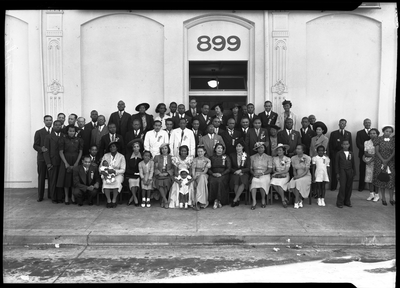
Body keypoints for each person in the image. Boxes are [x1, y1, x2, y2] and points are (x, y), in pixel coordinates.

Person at [57, 125, 83, 205]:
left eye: (73, 131)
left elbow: (80, 152)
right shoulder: (63, 140)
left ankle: (72, 196)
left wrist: (76, 163)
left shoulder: (79, 140)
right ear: (67, 131)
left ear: (75, 132)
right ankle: (66, 196)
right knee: (66, 179)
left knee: (74, 179)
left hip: (75, 159)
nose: (71, 132)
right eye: (70, 131)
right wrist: (65, 163)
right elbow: (61, 152)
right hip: (66, 159)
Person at [372, 125, 395, 206]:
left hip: (391, 162)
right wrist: (383, 161)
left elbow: (394, 152)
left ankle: (392, 199)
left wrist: (387, 160)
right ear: (383, 131)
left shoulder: (393, 140)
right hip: (379, 162)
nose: (388, 133)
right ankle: (383, 198)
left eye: (390, 131)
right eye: (386, 131)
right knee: (382, 180)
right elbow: (377, 151)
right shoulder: (378, 139)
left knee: (391, 180)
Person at [100, 141, 126, 208]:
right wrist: (104, 172)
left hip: (118, 174)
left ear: (117, 147)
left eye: (114, 146)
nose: (112, 148)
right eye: (111, 147)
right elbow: (100, 167)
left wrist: (114, 171)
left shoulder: (121, 156)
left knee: (116, 181)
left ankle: (114, 200)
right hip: (107, 173)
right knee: (105, 181)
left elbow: (123, 169)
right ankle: (108, 200)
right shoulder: (105, 156)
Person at [329, 119, 353, 191]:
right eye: (341, 123)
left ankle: (344, 186)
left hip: (345, 154)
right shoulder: (333, 133)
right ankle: (333, 186)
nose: (342, 124)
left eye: (343, 123)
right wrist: (332, 155)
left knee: (345, 170)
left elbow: (350, 145)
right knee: (335, 170)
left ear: (345, 125)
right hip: (336, 154)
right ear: (339, 124)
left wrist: (350, 155)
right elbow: (330, 145)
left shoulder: (348, 133)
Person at [33, 115, 53, 201]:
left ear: (52, 121)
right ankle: (40, 196)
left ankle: (50, 195)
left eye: (50, 120)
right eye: (47, 120)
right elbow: (35, 145)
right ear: (44, 121)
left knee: (51, 177)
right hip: (42, 159)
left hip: (51, 159)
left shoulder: (54, 132)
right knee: (41, 177)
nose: (48, 122)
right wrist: (41, 149)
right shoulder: (39, 132)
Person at [249, 142, 273, 210]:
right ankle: (254, 201)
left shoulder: (269, 157)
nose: (260, 149)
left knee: (262, 182)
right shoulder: (252, 157)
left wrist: (262, 174)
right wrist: (254, 174)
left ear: (264, 148)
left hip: (265, 174)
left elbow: (270, 169)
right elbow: (250, 169)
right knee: (254, 181)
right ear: (256, 149)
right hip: (255, 174)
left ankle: (263, 199)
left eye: (262, 147)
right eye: (258, 148)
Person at [43, 120, 62, 203]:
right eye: (56, 125)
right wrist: (48, 163)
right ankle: (54, 198)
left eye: (59, 125)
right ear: (53, 126)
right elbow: (46, 151)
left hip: (61, 162)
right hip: (52, 162)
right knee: (53, 180)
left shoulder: (63, 136)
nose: (58, 126)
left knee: (60, 180)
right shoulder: (48, 137)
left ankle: (60, 197)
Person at [208, 143, 231, 209]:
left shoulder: (226, 157)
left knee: (220, 181)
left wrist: (221, 174)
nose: (220, 150)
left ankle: (219, 200)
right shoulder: (212, 157)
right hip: (214, 174)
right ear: (215, 149)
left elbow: (228, 168)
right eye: (218, 148)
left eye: (221, 148)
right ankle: (214, 200)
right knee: (212, 181)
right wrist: (212, 174)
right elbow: (208, 168)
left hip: (224, 174)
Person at [289, 144, 312, 209]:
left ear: (303, 150)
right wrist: (296, 176)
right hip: (297, 175)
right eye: (297, 148)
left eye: (299, 149)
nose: (297, 150)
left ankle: (296, 202)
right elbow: (294, 170)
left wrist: (299, 177)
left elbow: (306, 171)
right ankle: (300, 199)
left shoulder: (307, 158)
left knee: (297, 182)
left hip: (305, 175)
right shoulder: (293, 158)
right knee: (292, 183)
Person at [335, 139, 356, 208]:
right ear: (341, 145)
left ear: (349, 145)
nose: (345, 145)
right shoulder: (339, 153)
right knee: (342, 187)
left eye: (347, 144)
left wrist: (354, 172)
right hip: (342, 170)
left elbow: (353, 163)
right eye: (344, 144)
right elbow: (336, 164)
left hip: (350, 171)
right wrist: (337, 173)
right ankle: (340, 202)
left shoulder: (351, 153)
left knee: (349, 186)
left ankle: (347, 201)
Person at [153, 143, 174, 208]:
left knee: (167, 181)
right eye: (162, 148)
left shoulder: (171, 158)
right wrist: (159, 173)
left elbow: (173, 168)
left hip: (168, 175)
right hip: (159, 175)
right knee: (160, 182)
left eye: (165, 148)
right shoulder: (157, 157)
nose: (164, 150)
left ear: (168, 149)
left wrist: (167, 173)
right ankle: (165, 201)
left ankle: (162, 200)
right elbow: (155, 167)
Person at [229, 140, 250, 207]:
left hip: (244, 173)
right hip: (234, 173)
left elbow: (248, 168)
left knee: (243, 181)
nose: (238, 148)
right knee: (236, 181)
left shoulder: (246, 155)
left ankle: (235, 200)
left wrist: (241, 171)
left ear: (242, 147)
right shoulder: (232, 155)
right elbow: (230, 167)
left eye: (240, 146)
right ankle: (237, 199)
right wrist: (236, 172)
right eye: (237, 146)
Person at [191, 145, 212, 210]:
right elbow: (193, 169)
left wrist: (199, 174)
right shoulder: (195, 160)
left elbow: (205, 171)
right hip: (195, 174)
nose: (200, 153)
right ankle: (195, 201)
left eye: (201, 151)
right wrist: (194, 176)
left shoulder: (207, 160)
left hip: (203, 174)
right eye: (198, 152)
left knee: (202, 179)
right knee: (193, 182)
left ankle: (199, 201)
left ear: (204, 152)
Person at [124, 139, 144, 206]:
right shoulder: (128, 156)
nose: (136, 148)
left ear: (140, 147)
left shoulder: (142, 156)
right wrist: (133, 173)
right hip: (130, 174)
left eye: (137, 146)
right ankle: (135, 198)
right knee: (132, 181)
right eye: (134, 147)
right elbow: (127, 168)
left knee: (137, 181)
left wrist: (139, 173)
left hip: (139, 174)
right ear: (132, 148)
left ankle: (132, 198)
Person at [356, 118, 372, 192]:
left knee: (372, 171)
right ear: (363, 124)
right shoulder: (359, 133)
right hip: (363, 154)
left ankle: (372, 188)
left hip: (372, 155)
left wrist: (370, 151)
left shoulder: (373, 132)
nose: (368, 124)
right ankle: (361, 187)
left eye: (369, 122)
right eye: (366, 123)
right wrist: (366, 149)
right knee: (362, 170)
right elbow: (358, 144)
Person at [364, 128, 380, 201]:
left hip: (377, 162)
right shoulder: (366, 142)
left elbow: (379, 154)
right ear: (369, 134)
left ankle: (377, 195)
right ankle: (371, 194)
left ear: (377, 134)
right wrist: (372, 156)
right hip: (368, 162)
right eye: (371, 133)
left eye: (374, 133)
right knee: (369, 178)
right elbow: (365, 153)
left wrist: (373, 157)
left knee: (376, 179)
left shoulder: (380, 142)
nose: (372, 135)